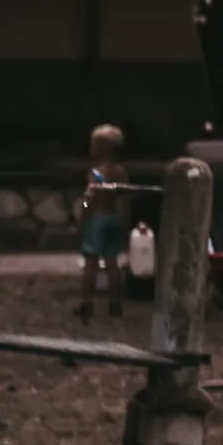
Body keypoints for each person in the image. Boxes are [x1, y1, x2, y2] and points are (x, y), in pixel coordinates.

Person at [77, 124, 129, 319]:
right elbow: (124, 198)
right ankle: (115, 303)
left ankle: (86, 302)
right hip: (113, 217)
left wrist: (82, 212)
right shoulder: (121, 171)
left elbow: (90, 196)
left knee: (91, 262)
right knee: (112, 262)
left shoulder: (97, 172)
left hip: (97, 219)